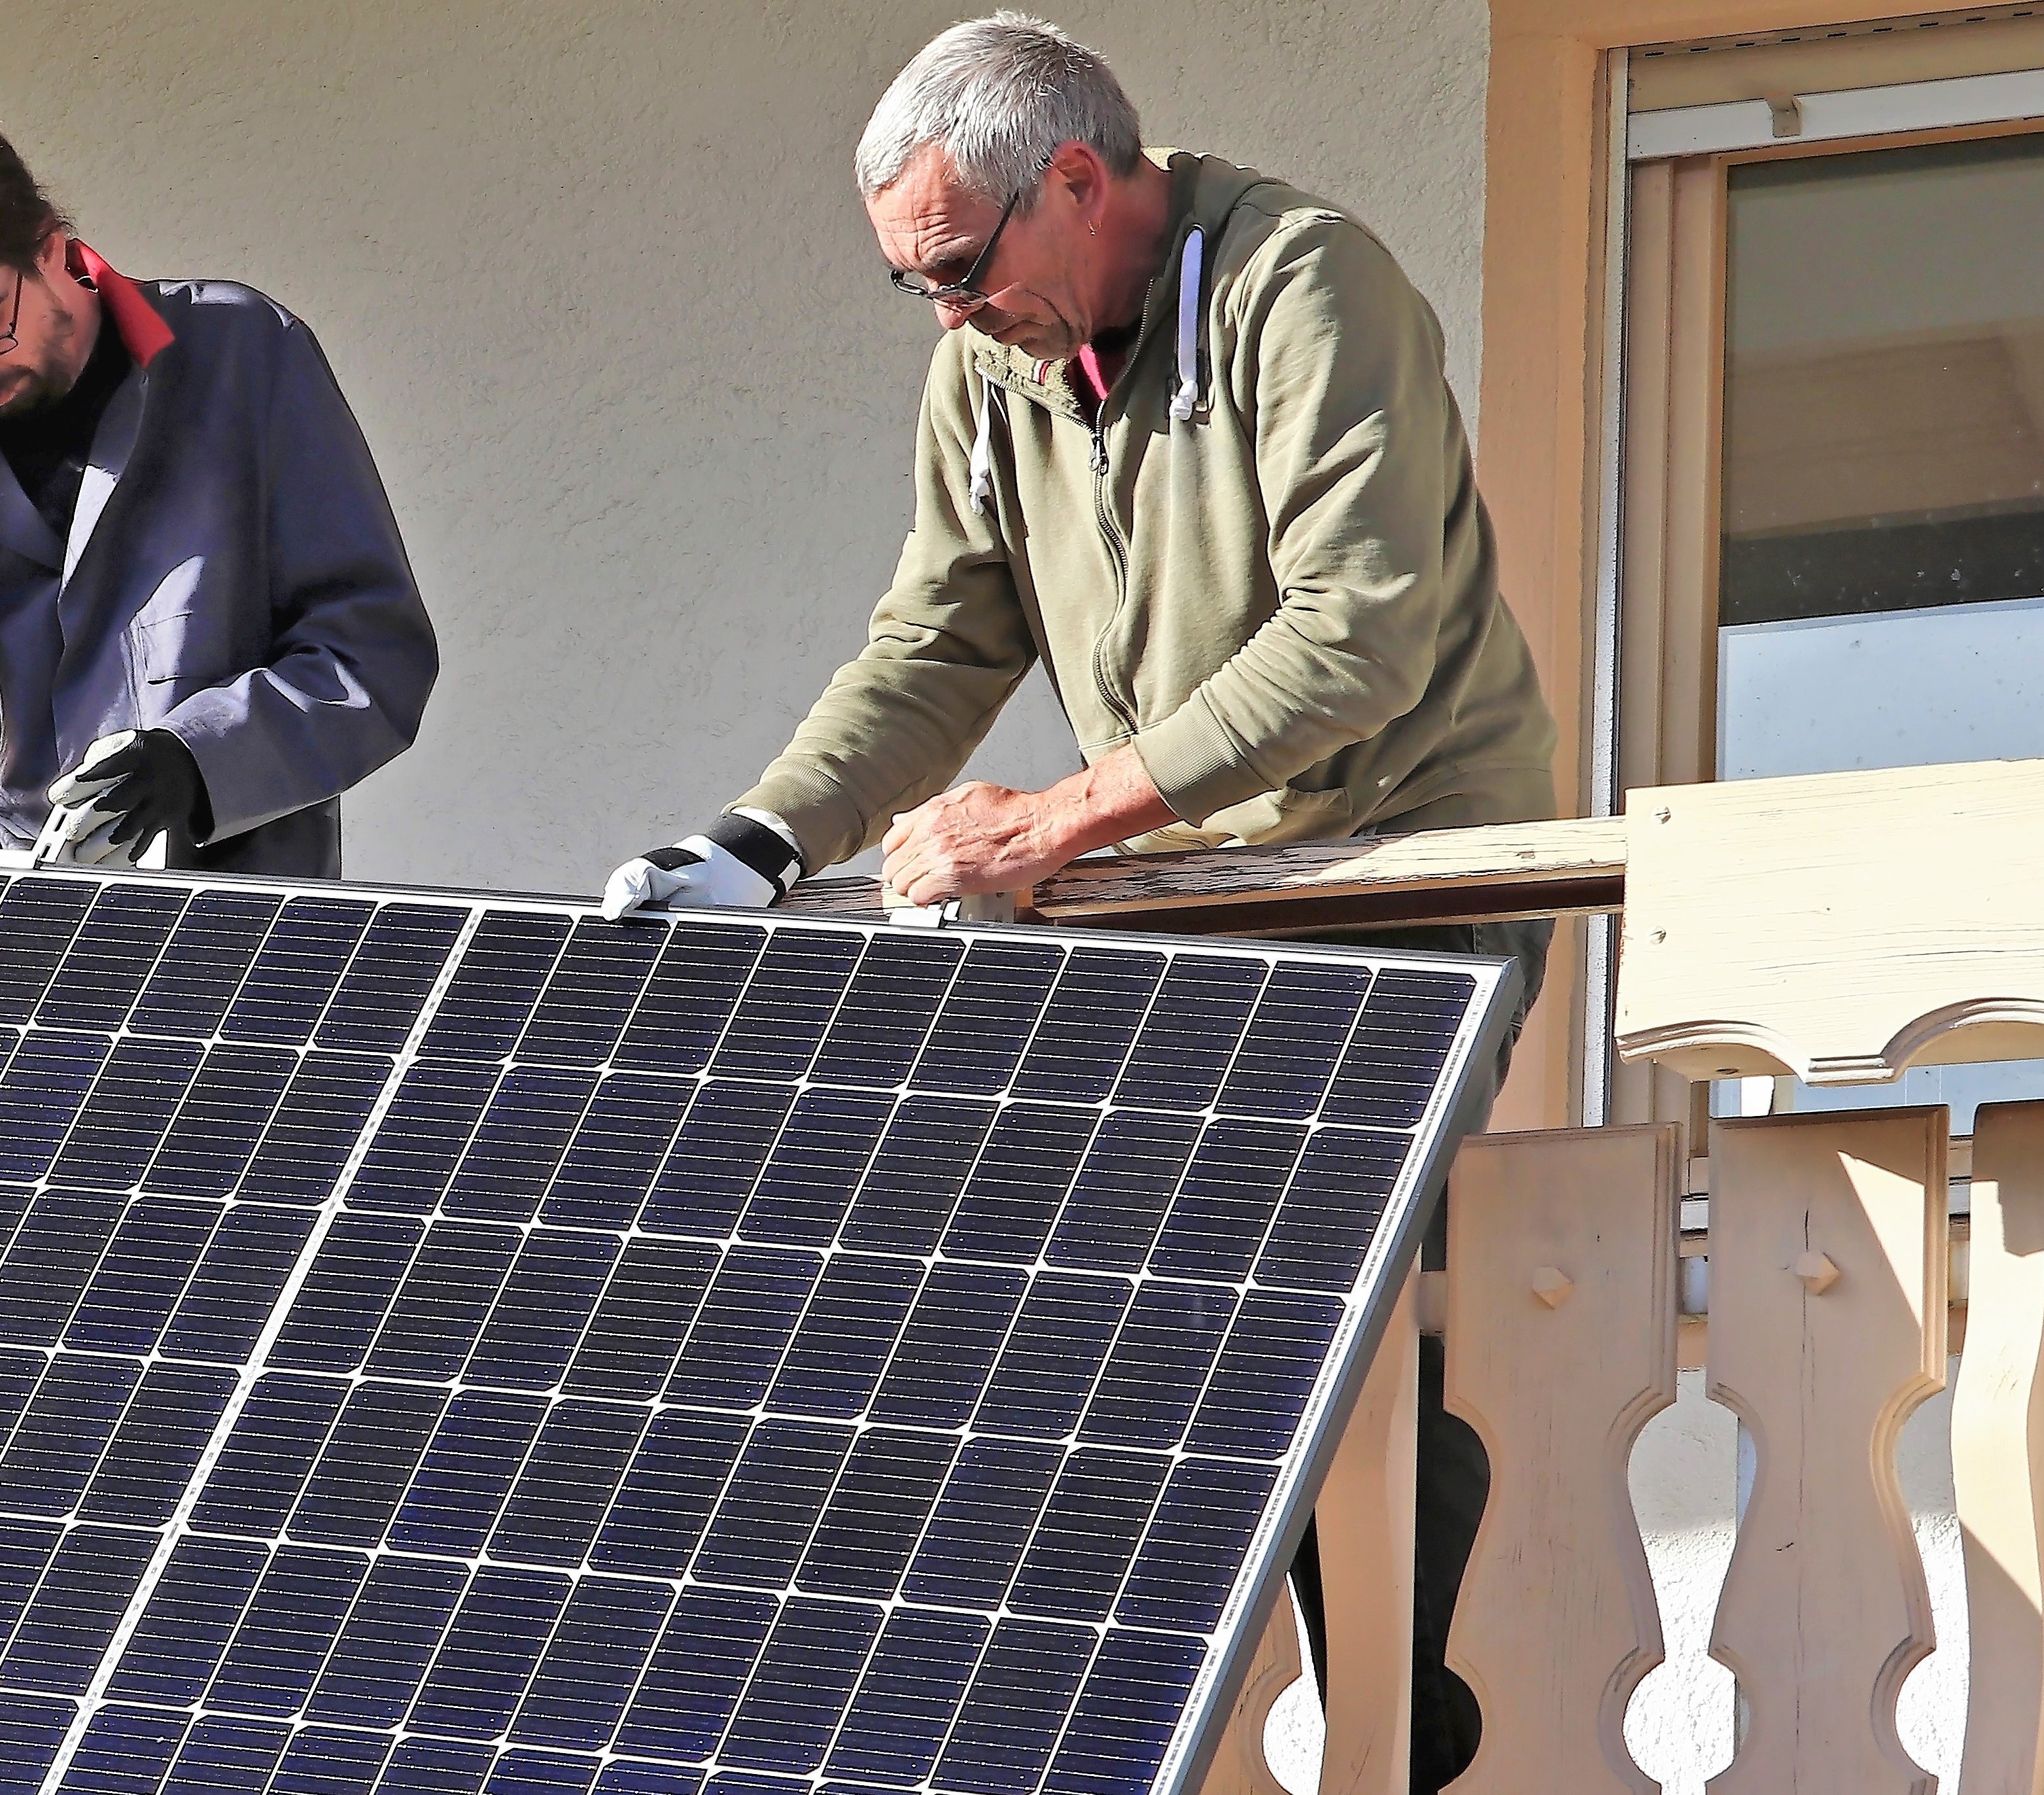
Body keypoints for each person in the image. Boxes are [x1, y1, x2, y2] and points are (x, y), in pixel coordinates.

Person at [597, 16, 1559, 1790]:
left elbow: (1358, 640)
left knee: (1325, 1286)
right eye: (916, 288)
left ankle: (1399, 1724)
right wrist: (754, 839)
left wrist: (1058, 818)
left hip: (1391, 873)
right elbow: (939, 641)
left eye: (959, 270)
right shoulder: (988, 365)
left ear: (1079, 183)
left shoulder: (1302, 283)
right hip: (1186, 891)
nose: (949, 317)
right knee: (1129, 1306)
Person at [0, 112, 436, 877]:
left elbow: (370, 650)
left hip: (225, 953)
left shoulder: (244, 356)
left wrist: (194, 762)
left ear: (54, 250)